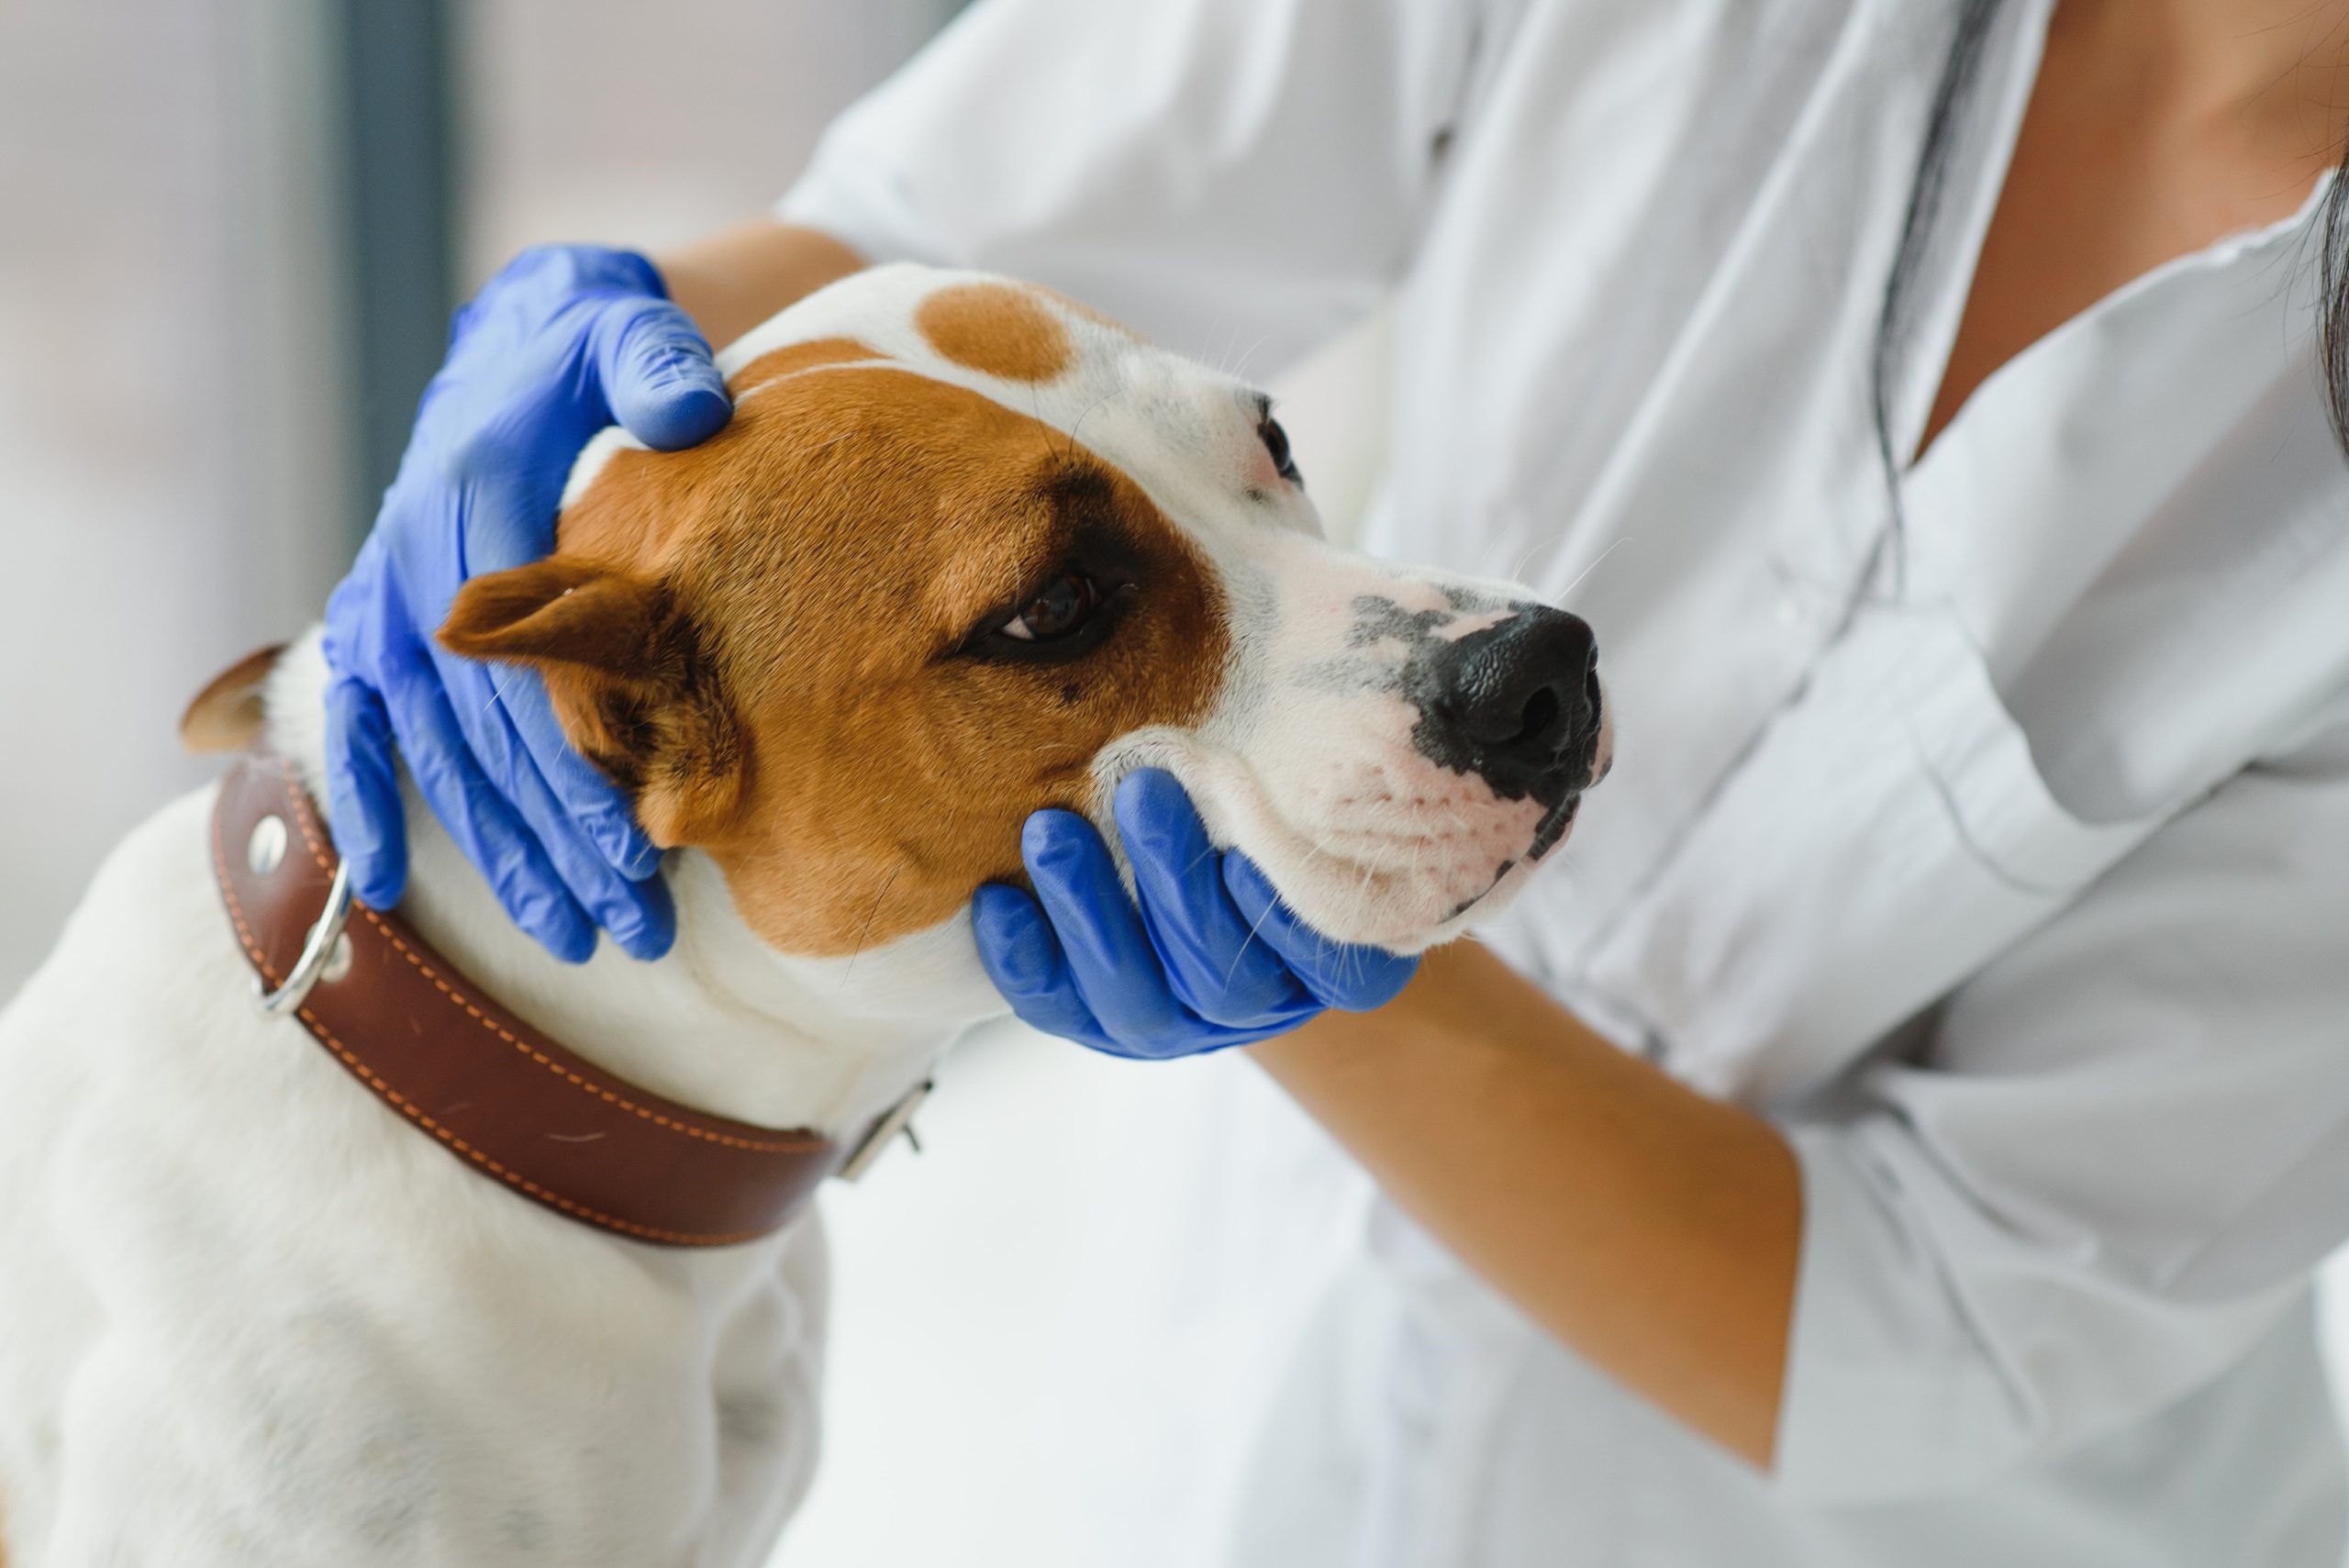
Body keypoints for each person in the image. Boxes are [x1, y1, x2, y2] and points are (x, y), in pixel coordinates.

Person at [319, 0, 2349, 1562]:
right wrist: (597, 385)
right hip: (1241, 1405)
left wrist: (1308, 903)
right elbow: (947, 252)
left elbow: (1940, 1312)